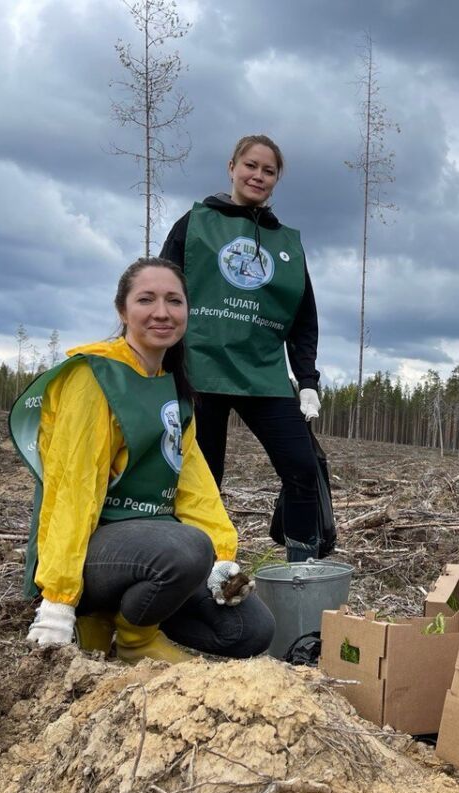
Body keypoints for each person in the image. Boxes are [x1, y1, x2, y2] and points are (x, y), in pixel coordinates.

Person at [9, 258, 275, 662]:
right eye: (146, 299)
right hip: (95, 554)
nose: (162, 312)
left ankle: (123, 616)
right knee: (186, 548)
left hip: (152, 554)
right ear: (122, 310)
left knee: (250, 629)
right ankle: (133, 638)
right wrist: (59, 599)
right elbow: (72, 486)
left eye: (174, 300)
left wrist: (223, 558)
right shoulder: (95, 377)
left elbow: (192, 482)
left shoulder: (172, 386)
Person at [160, 134, 324, 562]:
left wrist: (306, 380)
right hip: (201, 372)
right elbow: (162, 291)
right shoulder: (194, 225)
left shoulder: (285, 244)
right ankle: (202, 572)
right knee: (204, 480)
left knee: (303, 469)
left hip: (263, 374)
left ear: (276, 180)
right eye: (251, 165)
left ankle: (302, 571)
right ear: (231, 167)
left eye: (269, 171)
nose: (258, 176)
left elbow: (302, 317)